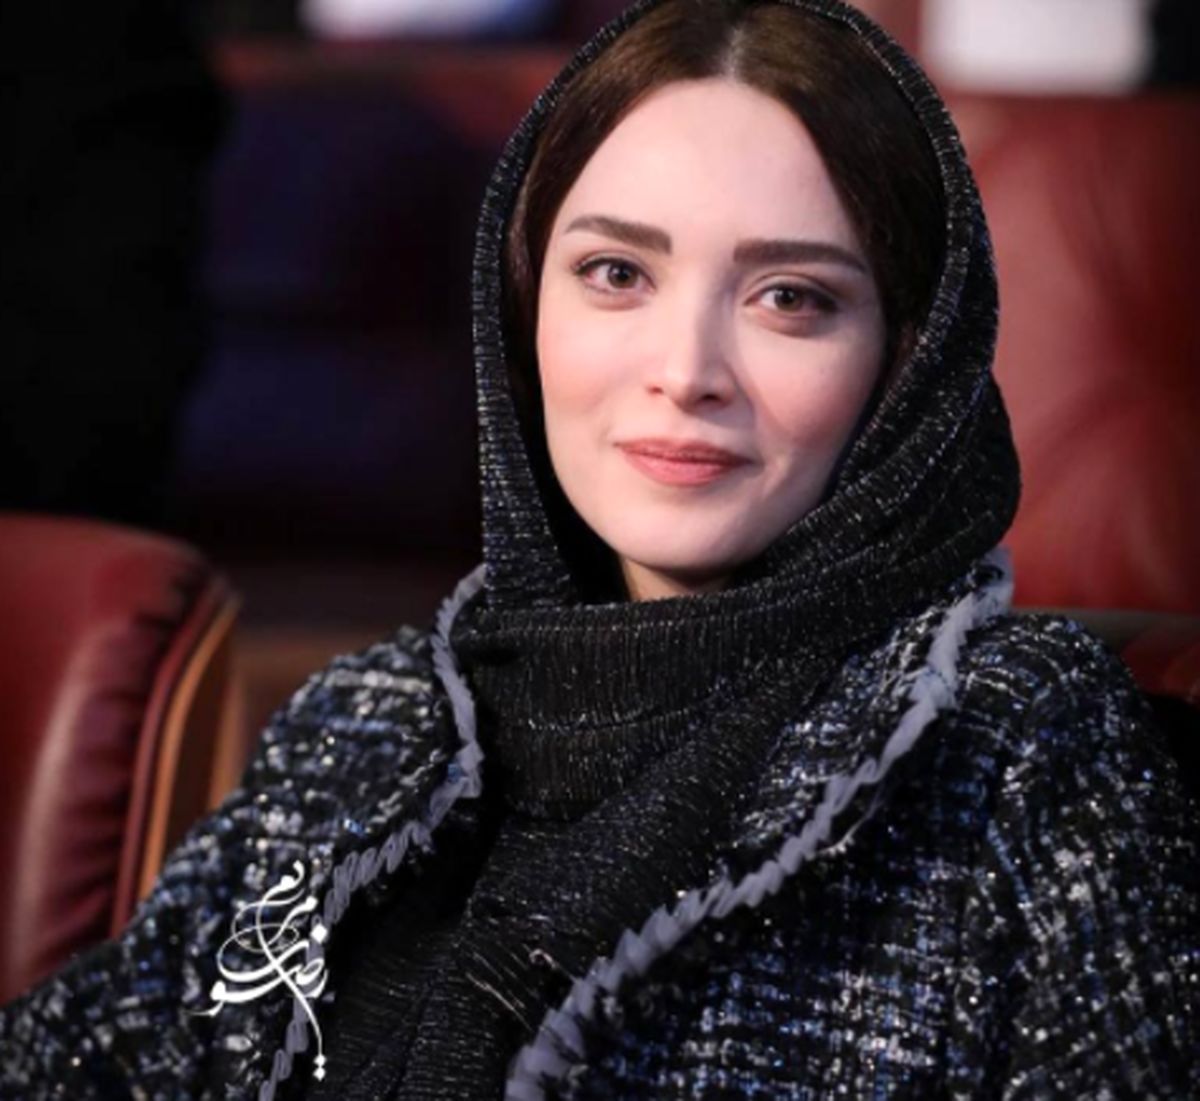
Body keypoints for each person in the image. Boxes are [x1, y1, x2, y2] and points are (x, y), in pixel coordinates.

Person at [1, 0, 1196, 1097]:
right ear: (524, 309)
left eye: (790, 297)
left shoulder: (1021, 747)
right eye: (616, 274)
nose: (686, 371)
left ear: (908, 360)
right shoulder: (369, 724)